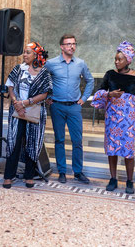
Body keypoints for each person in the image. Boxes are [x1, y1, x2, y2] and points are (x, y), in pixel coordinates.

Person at [91, 41, 135, 194]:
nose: (116, 61)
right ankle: (113, 178)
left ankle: (129, 181)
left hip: (128, 119)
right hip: (112, 117)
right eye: (115, 59)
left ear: (128, 60)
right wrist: (109, 94)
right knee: (112, 149)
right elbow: (99, 94)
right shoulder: (110, 74)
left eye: (120, 59)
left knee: (128, 149)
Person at [44, 34, 94, 184]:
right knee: (59, 139)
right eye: (68, 44)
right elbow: (43, 80)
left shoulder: (80, 63)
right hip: (57, 106)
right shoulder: (51, 64)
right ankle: (62, 172)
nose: (72, 46)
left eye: (74, 44)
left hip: (74, 107)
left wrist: (83, 99)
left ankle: (78, 172)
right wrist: (47, 97)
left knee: (77, 140)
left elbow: (90, 81)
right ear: (62, 47)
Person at [3, 42, 52, 189]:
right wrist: (16, 102)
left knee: (32, 143)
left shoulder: (43, 72)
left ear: (36, 55)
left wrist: (25, 103)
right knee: (14, 143)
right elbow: (10, 86)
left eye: (28, 52)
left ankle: (29, 176)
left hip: (35, 112)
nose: (24, 55)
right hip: (17, 111)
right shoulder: (18, 69)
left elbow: (44, 94)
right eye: (24, 52)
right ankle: (8, 176)